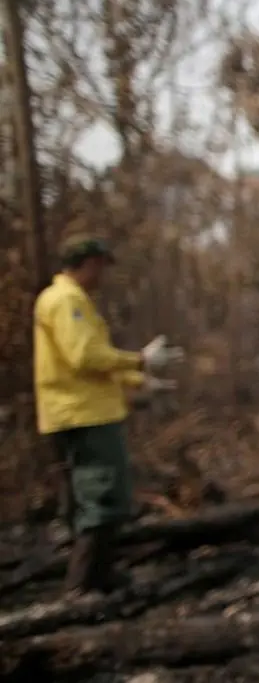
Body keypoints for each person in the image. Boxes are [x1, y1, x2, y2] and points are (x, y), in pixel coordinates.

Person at [33, 235, 185, 595]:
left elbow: (91, 363)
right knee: (102, 499)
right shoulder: (66, 300)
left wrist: (140, 381)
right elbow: (84, 357)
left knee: (88, 500)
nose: (103, 274)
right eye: (101, 265)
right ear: (86, 262)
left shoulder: (68, 299)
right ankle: (82, 589)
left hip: (81, 411)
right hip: (83, 416)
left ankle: (100, 577)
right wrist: (140, 359)